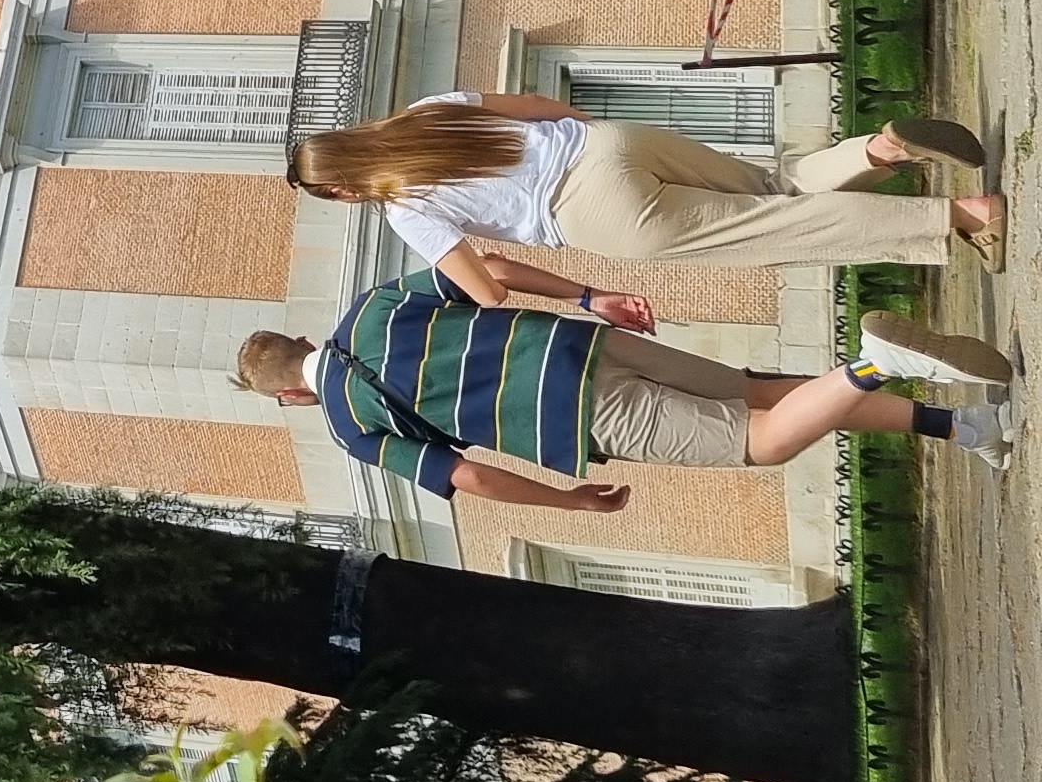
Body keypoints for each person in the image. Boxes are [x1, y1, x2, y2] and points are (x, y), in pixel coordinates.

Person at [236, 269, 1012, 503]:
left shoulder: (349, 425)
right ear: (303, 339)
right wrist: (588, 296)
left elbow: (465, 475)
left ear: (290, 396)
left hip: (581, 415)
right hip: (584, 342)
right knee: (768, 398)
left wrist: (566, 501)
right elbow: (488, 271)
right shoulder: (373, 306)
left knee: (764, 443)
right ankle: (966, 427)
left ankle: (875, 361)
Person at [291, 89, 1002, 282]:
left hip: (593, 215)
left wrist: (490, 275)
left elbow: (487, 288)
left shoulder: (407, 210)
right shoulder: (427, 111)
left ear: (346, 190)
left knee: (785, 229)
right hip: (608, 144)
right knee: (770, 187)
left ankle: (962, 215)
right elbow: (537, 104)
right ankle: (882, 148)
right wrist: (598, 141)